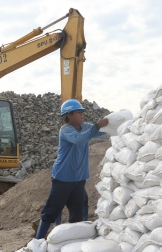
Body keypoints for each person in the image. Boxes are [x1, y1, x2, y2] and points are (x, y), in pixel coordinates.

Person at [35, 99, 108, 239]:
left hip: (79, 179)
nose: (82, 114)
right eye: (78, 112)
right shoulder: (66, 130)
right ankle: (37, 241)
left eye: (82, 112)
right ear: (69, 115)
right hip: (63, 178)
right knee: (51, 211)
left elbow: (99, 132)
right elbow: (79, 139)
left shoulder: (86, 127)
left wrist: (111, 124)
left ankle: (73, 240)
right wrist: (97, 126)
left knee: (78, 213)